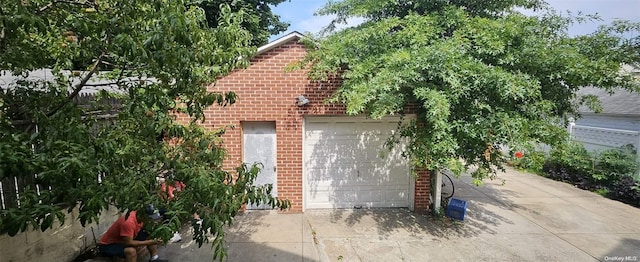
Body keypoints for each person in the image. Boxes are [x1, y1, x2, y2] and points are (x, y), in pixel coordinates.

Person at [97, 210, 168, 262]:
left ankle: (154, 258)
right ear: (143, 215)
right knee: (131, 251)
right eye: (149, 217)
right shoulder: (129, 223)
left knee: (151, 233)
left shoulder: (139, 217)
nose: (151, 219)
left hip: (125, 239)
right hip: (108, 245)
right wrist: (149, 242)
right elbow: (128, 243)